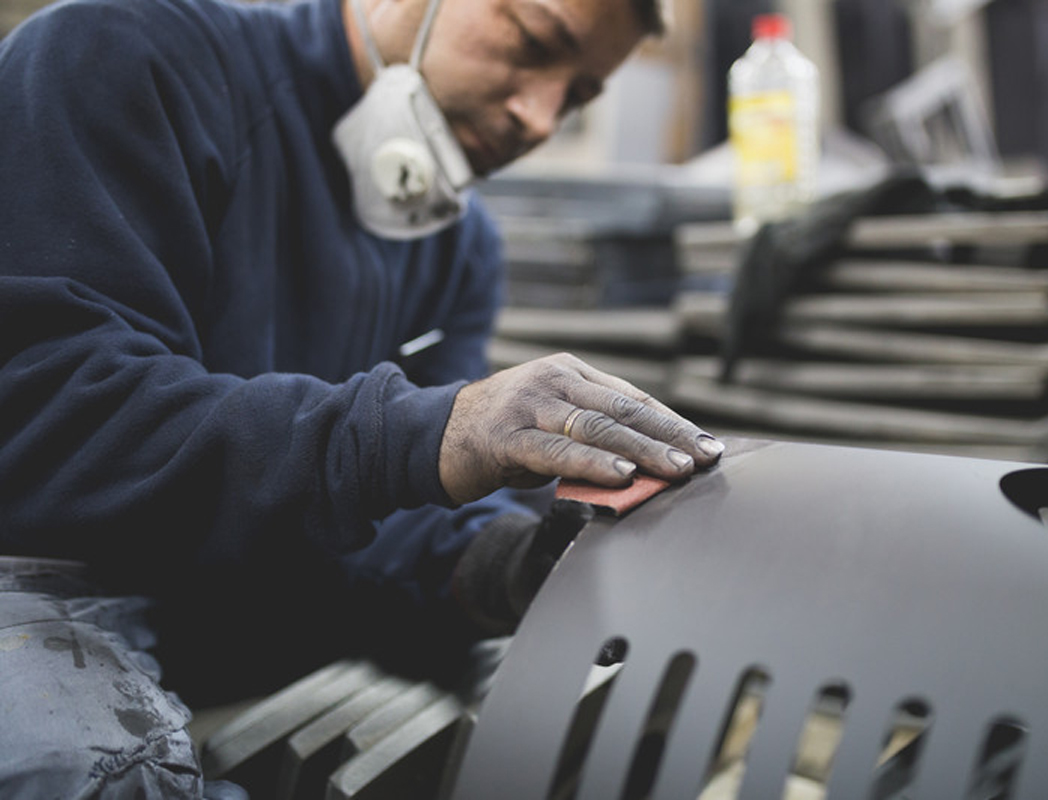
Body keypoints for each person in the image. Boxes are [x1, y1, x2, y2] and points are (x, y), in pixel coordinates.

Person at [0, 0, 724, 794]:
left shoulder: (458, 245)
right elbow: (44, 417)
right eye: (534, 42)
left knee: (577, 713)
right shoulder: (124, 57)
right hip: (45, 567)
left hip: (245, 605)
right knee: (95, 773)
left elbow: (390, 512)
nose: (539, 116)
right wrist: (423, 433)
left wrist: (496, 565)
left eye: (580, 94)